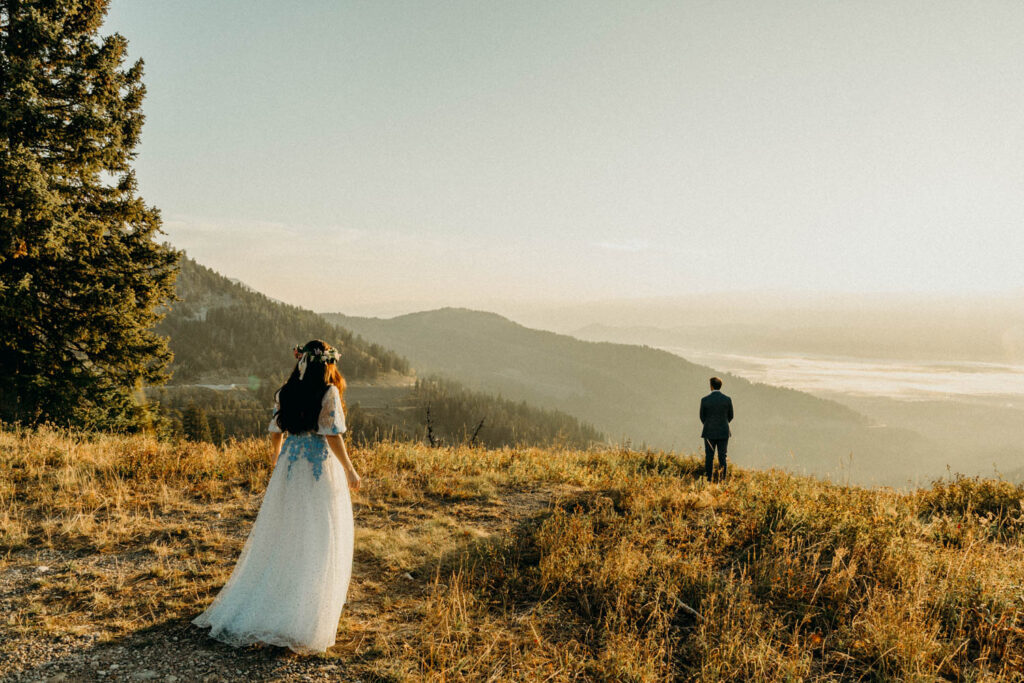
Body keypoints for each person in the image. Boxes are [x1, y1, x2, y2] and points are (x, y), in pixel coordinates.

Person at [193, 339, 362, 654]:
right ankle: (303, 614)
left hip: (289, 466)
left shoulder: (285, 391)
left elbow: (275, 430)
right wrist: (350, 470)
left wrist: (276, 458)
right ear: (327, 363)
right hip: (319, 469)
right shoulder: (329, 393)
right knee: (318, 533)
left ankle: (274, 598)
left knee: (286, 531)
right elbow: (333, 435)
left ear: (302, 362)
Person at [699, 376, 733, 482]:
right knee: (722, 457)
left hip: (709, 432)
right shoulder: (727, 399)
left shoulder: (704, 400)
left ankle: (708, 480)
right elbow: (730, 416)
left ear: (711, 386)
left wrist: (709, 424)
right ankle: (722, 480)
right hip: (724, 432)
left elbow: (702, 416)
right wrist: (722, 423)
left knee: (709, 457)